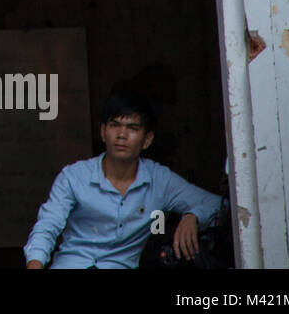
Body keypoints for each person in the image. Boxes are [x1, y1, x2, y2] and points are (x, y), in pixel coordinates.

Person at [24, 88, 223, 269]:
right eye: (115, 125)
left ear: (147, 139)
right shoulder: (74, 176)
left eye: (132, 128)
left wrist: (193, 216)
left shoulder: (159, 180)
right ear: (103, 132)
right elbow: (48, 225)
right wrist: (35, 263)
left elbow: (219, 204)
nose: (121, 134)